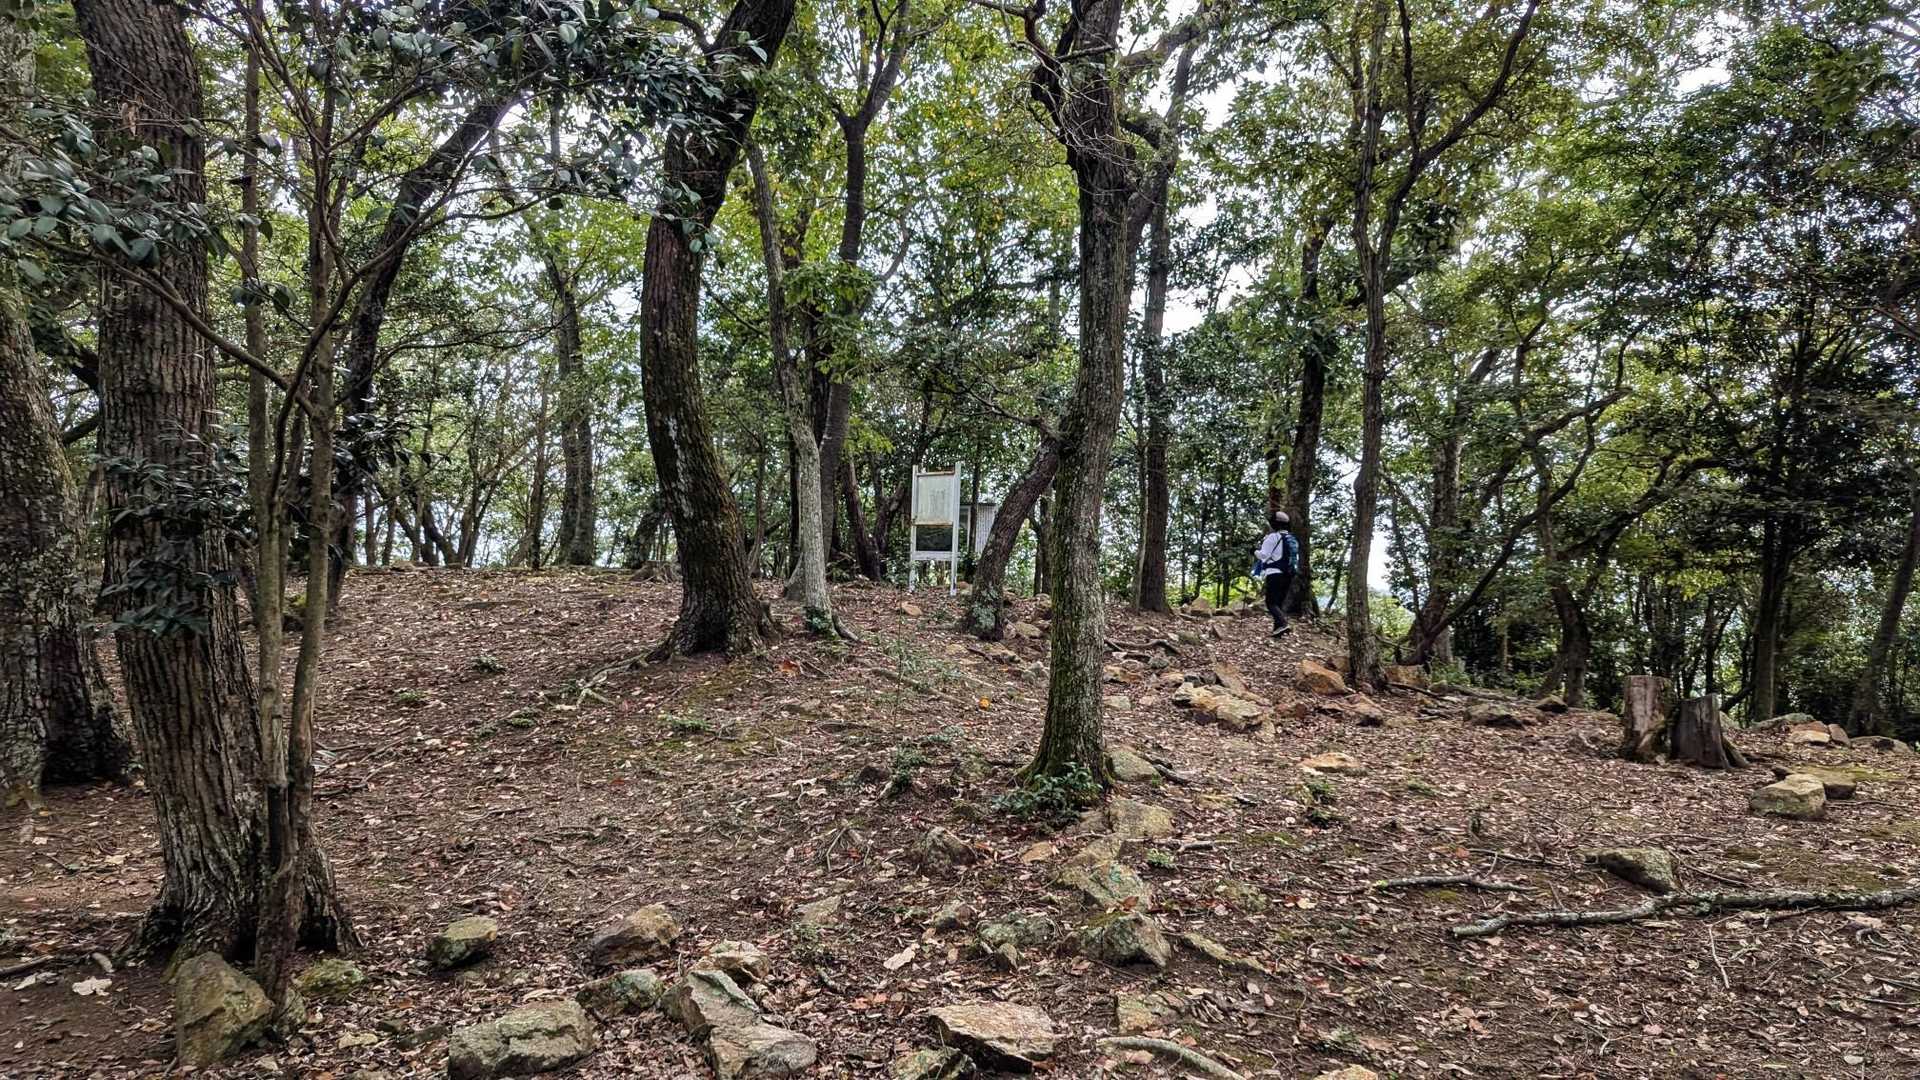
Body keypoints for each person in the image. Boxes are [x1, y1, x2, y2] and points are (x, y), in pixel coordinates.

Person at [1252, 511, 1299, 638]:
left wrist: (1254, 551)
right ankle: (1277, 630)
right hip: (1289, 574)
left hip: (1274, 573)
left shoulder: (1273, 537)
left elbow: (1264, 556)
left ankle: (1283, 624)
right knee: (1278, 603)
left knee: (1271, 603)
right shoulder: (1292, 538)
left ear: (1274, 524)